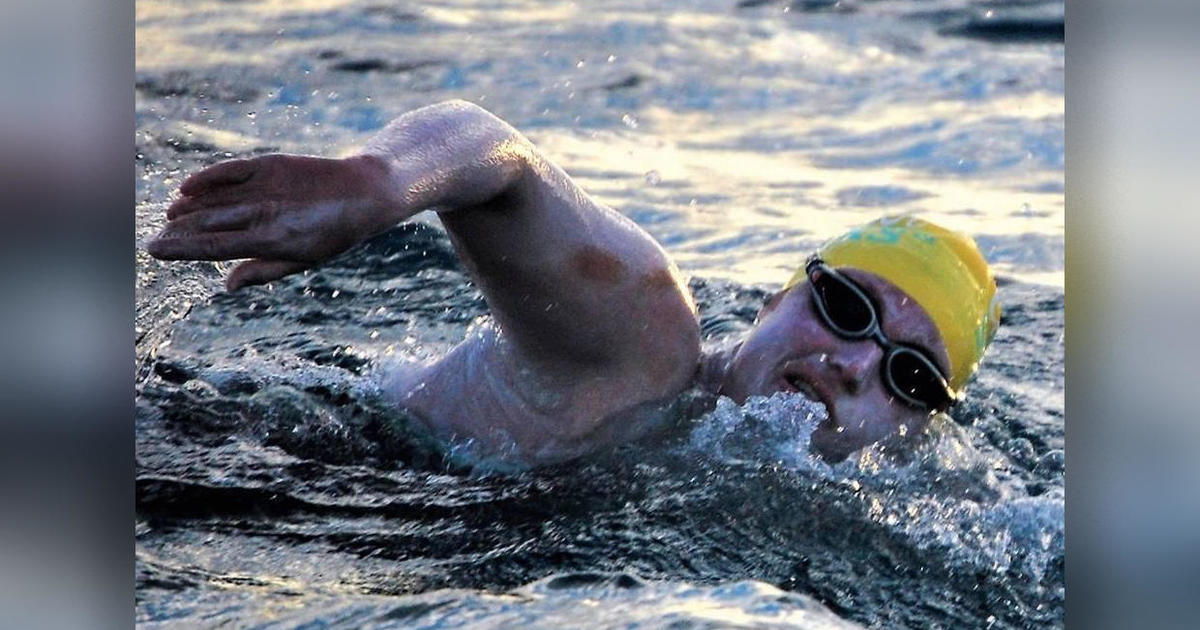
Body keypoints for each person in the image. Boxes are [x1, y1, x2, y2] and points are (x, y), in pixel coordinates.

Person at [148, 100, 1000, 466]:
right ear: (779, 298)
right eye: (846, 307)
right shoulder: (648, 344)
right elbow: (494, 153)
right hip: (232, 446)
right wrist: (376, 184)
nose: (856, 364)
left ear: (915, 430)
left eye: (909, 377)